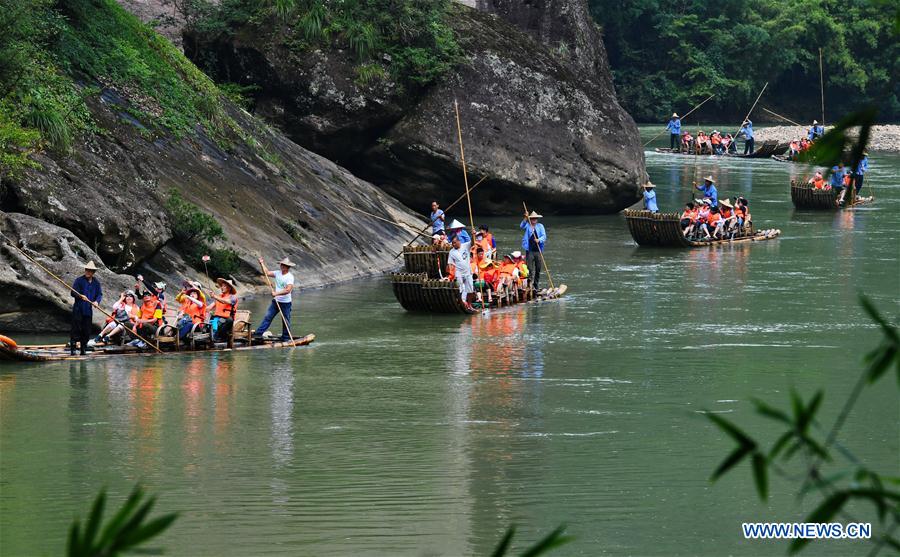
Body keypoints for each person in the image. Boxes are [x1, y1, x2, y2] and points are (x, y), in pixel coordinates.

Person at [254, 257, 295, 341]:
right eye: (281, 264)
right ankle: (258, 334)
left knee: (285, 320)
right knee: (268, 317)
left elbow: (288, 290)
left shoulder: (290, 277)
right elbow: (267, 272)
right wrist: (262, 263)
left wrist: (276, 293)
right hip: (276, 301)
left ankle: (286, 337)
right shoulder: (277, 273)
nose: (282, 266)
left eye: (284, 265)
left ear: (288, 267)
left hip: (285, 302)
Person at [70, 261, 103, 355]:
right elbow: (72, 292)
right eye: (86, 270)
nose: (87, 272)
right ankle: (73, 349)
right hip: (78, 309)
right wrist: (80, 296)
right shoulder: (79, 280)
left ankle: (83, 349)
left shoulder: (96, 282)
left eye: (90, 271)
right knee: (76, 328)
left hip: (88, 310)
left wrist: (97, 301)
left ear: (93, 272)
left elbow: (99, 294)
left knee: (86, 330)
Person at [520, 210, 546, 291]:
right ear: (530, 219)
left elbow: (544, 236)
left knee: (538, 268)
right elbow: (521, 226)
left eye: (535, 218)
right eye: (532, 218)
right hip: (530, 250)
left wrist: (539, 240)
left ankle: (536, 283)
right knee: (529, 269)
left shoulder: (540, 226)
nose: (534, 220)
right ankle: (530, 284)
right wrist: (525, 217)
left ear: (537, 219)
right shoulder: (528, 225)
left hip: (538, 250)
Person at [447, 233, 474, 310]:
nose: (453, 244)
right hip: (458, 273)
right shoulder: (451, 252)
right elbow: (450, 264)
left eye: (455, 242)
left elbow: (472, 242)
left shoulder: (465, 246)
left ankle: (469, 305)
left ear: (459, 241)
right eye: (452, 243)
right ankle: (462, 302)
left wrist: (473, 235)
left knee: (470, 290)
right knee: (460, 288)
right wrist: (449, 275)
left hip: (468, 272)